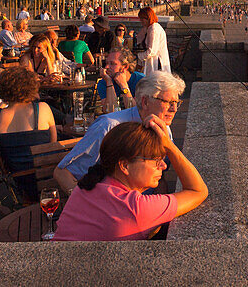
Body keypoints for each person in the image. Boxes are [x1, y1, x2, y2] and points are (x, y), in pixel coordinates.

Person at [54, 119, 207, 241]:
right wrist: (169, 145)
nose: (163, 166)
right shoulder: (135, 208)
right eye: (155, 160)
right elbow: (197, 190)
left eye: (163, 158)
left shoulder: (84, 188)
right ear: (125, 165)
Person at [54, 71, 185, 192]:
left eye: (176, 102)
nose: (174, 109)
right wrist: (85, 207)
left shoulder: (163, 127)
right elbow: (63, 173)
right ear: (145, 102)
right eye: (168, 102)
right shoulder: (109, 127)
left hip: (146, 207)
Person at [0, 66, 57, 201]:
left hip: (20, 179)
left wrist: (3, 103)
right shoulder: (42, 109)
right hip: (47, 177)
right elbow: (53, 145)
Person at [98, 48, 143, 113]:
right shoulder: (104, 82)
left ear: (125, 67)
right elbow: (110, 111)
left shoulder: (141, 81)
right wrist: (109, 82)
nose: (107, 67)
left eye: (112, 64)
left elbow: (135, 112)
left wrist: (123, 85)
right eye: (106, 63)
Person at [136, 7, 170, 74]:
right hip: (154, 63)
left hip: (157, 64)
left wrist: (138, 56)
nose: (141, 21)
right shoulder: (151, 28)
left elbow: (151, 51)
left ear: (148, 18)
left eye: (142, 18)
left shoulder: (153, 29)